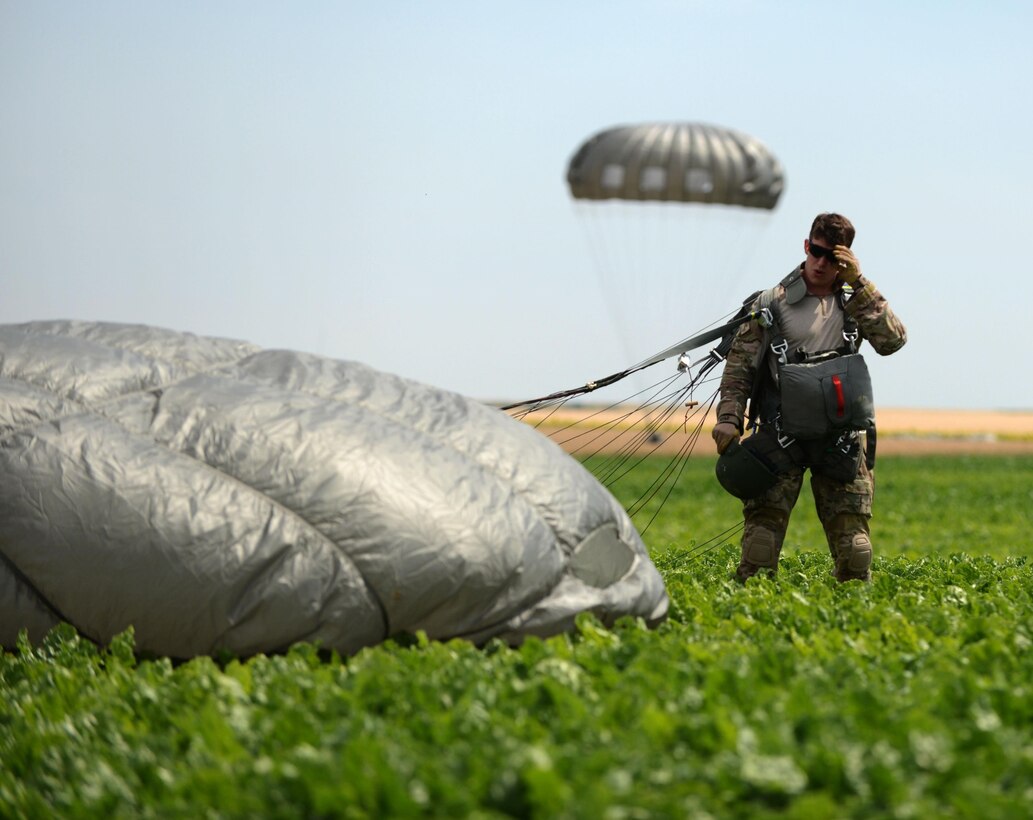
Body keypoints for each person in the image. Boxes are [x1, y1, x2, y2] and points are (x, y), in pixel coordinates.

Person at [712, 213, 907, 582]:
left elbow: (893, 340)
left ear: (846, 260)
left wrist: (860, 284)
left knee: (856, 553)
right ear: (806, 246)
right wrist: (730, 417)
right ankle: (747, 626)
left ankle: (850, 629)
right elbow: (740, 365)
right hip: (780, 436)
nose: (821, 263)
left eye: (833, 258)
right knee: (760, 546)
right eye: (816, 252)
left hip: (841, 441)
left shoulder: (856, 302)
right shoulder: (771, 302)